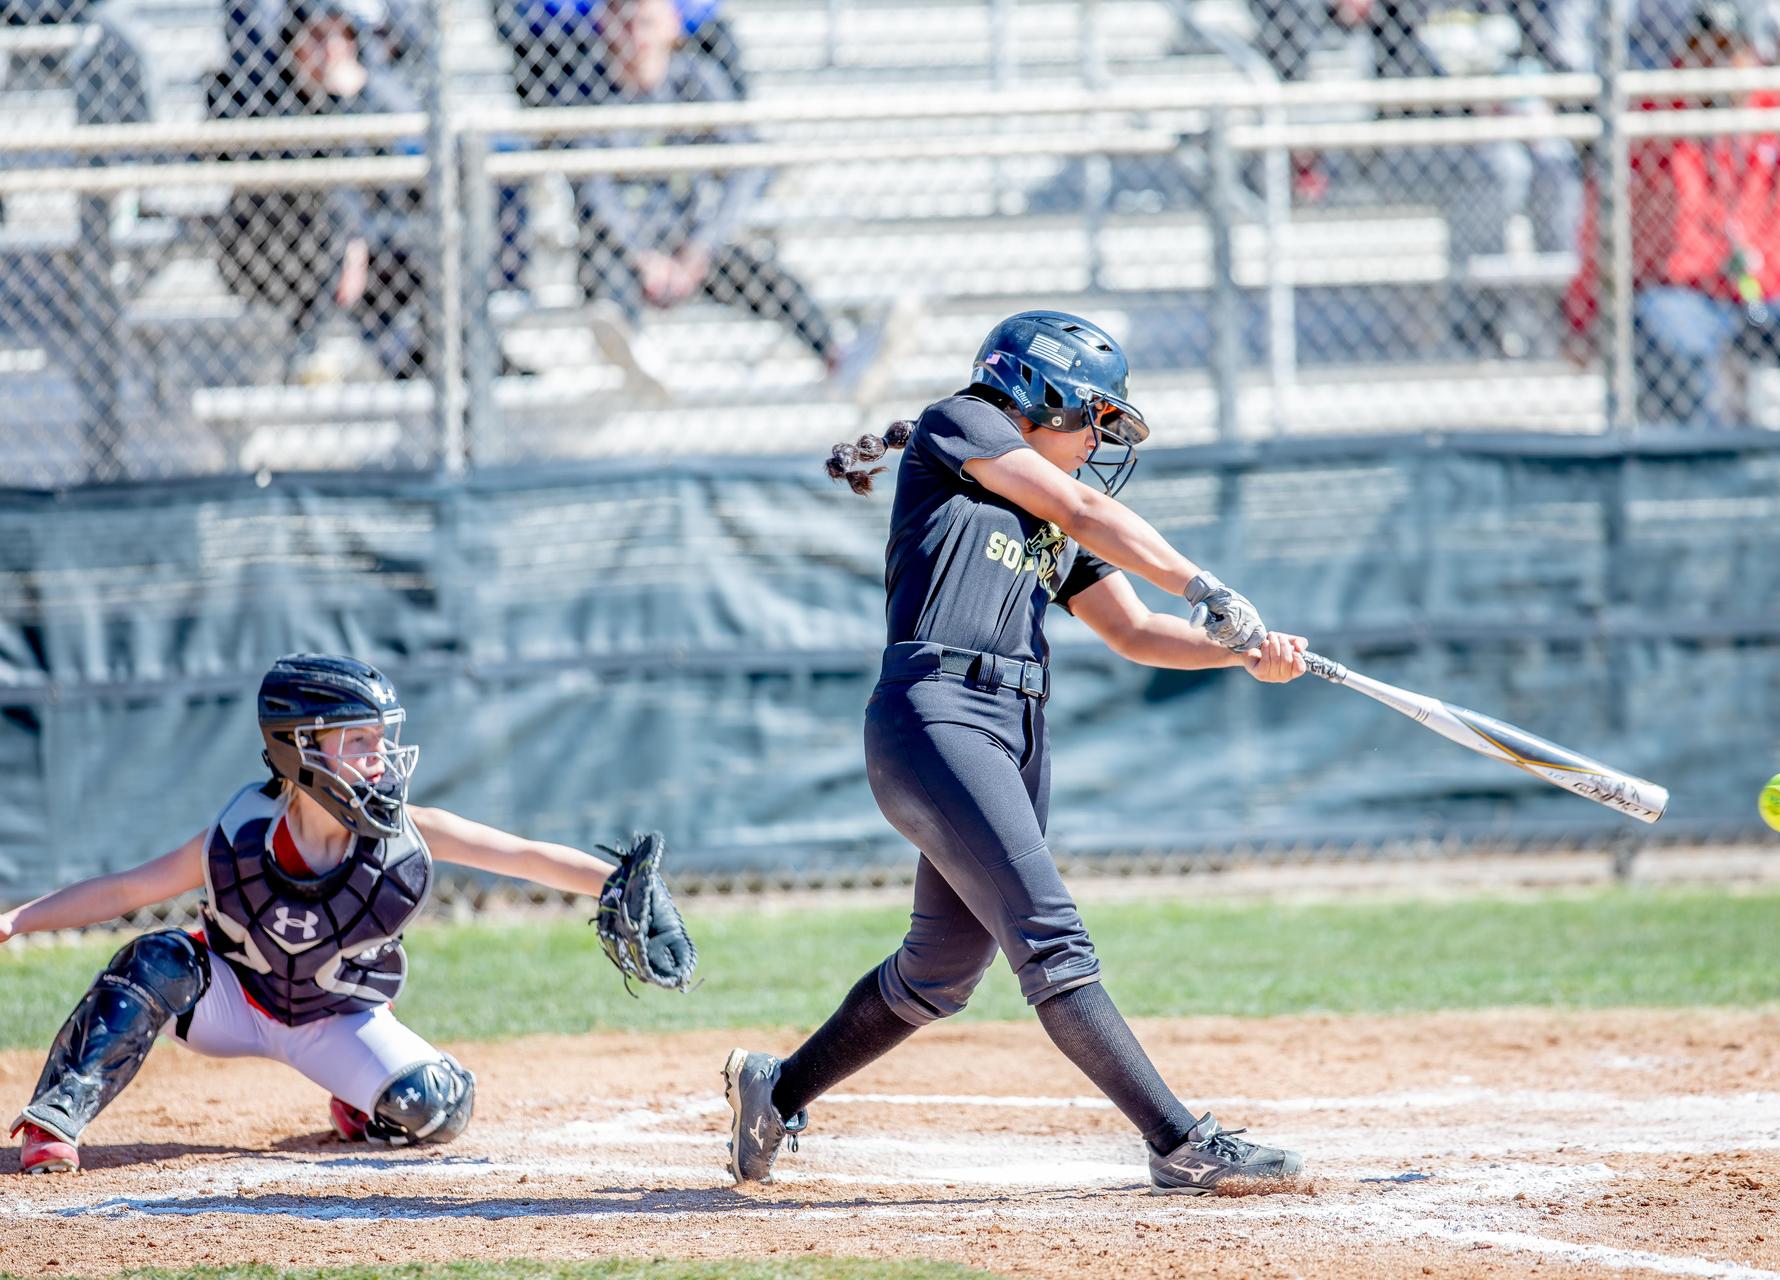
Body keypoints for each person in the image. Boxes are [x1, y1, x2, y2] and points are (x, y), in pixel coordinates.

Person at [720, 311, 1310, 1196]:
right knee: (1051, 936)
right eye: (1090, 418)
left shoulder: (1040, 512)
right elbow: (1084, 507)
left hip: (1011, 729)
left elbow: (1137, 630)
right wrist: (1207, 586)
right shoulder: (962, 421)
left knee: (943, 969)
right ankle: (1178, 1140)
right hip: (937, 716)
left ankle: (779, 1090)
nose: (1097, 440)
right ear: (1034, 397)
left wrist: (1239, 648)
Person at [3, 654, 632, 1174]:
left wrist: (619, 885)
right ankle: (54, 1120)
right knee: (158, 957)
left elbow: (524, 856)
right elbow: (126, 890)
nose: (377, 758)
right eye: (357, 740)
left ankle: (359, 1104)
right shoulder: (242, 831)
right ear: (299, 748)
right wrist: (15, 920)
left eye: (380, 739)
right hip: (233, 1003)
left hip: (334, 1018)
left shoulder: (405, 836)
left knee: (437, 1107)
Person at [1566, 0, 1780, 426]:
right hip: (1689, 294)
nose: (1717, 65)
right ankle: (1699, 466)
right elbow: (1601, 227)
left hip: (1776, 292)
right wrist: (1582, 314)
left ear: (1753, 55)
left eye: (1730, 51)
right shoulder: (1652, 117)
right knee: (1666, 331)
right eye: (1705, 50)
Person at [569, 0, 905, 399]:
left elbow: (746, 166)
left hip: (687, 243)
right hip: (626, 251)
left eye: (645, 22)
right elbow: (593, 192)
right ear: (604, 26)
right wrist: (641, 256)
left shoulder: (695, 80)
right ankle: (636, 354)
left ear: (671, 27)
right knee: (600, 266)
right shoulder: (588, 91)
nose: (634, 36)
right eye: (622, 23)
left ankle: (837, 357)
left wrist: (699, 247)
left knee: (760, 271)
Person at [210, 0, 429, 382]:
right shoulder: (267, 98)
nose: (330, 52)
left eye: (341, 37)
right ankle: (313, 349)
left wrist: (351, 99)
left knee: (422, 238)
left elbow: (404, 171)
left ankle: (434, 354)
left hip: (367, 242)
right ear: (292, 46)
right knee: (326, 212)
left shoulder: (369, 95)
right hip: (281, 247)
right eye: (315, 38)